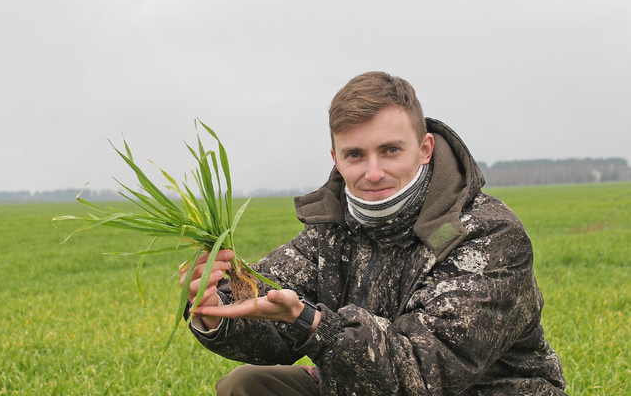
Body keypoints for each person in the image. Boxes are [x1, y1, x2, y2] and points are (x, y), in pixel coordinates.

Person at [180, 71, 567, 395]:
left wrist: (315, 325)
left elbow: (423, 372)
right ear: (335, 157)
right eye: (355, 155)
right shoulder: (332, 229)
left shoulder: (488, 235)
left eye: (390, 150)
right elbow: (269, 303)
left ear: (425, 148)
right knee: (248, 385)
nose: (374, 172)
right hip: (368, 383)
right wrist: (216, 306)